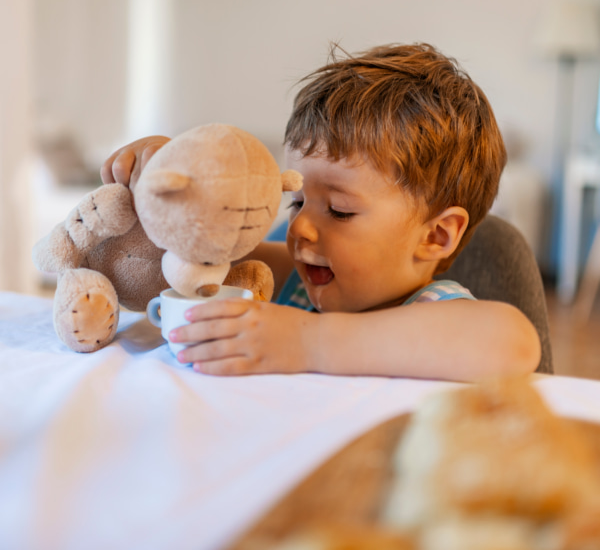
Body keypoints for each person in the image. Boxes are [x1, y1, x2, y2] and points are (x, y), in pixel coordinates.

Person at [101, 43, 541, 381]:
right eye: (296, 201)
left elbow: (516, 344)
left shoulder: (436, 309)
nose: (300, 228)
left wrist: (308, 342)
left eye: (339, 210)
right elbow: (192, 258)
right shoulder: (292, 279)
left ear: (436, 236)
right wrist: (166, 197)